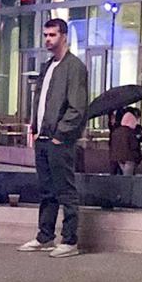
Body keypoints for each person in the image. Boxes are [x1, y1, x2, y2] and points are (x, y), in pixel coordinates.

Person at [22, 17, 88, 256]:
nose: (48, 40)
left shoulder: (74, 67)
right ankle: (45, 236)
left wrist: (60, 134)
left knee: (65, 190)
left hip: (59, 140)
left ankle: (69, 240)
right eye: (46, 35)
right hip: (43, 137)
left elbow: (77, 106)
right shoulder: (47, 66)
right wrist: (34, 128)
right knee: (47, 190)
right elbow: (40, 101)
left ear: (64, 36)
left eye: (52, 35)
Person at [109, 108, 142, 176]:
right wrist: (137, 157)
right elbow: (134, 146)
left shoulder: (116, 131)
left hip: (118, 158)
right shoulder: (131, 132)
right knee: (128, 176)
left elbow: (113, 145)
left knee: (122, 176)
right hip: (129, 158)